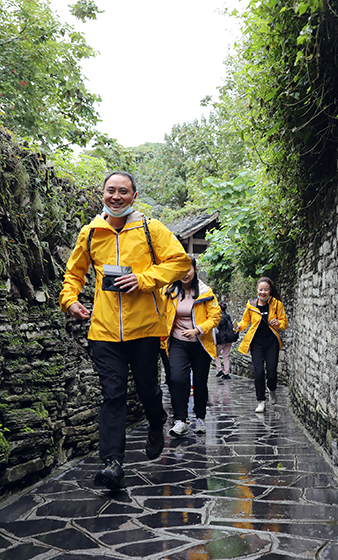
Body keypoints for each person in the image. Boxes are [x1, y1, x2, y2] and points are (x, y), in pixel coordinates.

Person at [59, 171, 192, 489]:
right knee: (113, 394)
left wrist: (143, 279)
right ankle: (113, 463)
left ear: (133, 196)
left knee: (147, 389)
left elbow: (180, 262)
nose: (116, 196)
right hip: (104, 331)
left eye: (123, 192)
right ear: (103, 194)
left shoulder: (150, 228)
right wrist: (69, 301)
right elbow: (73, 273)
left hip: (145, 328)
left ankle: (157, 419)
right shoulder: (91, 233)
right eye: (110, 191)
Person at [162, 257, 221, 437]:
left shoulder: (205, 292)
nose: (185, 273)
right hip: (177, 343)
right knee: (178, 379)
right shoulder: (169, 291)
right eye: (182, 269)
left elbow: (215, 316)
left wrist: (198, 330)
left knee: (200, 383)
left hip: (201, 344)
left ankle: (200, 417)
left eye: (189, 269)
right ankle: (181, 420)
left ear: (195, 270)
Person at [235, 277, 288, 413]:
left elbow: (284, 323)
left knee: (271, 373)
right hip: (256, 343)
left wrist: (278, 323)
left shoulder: (276, 304)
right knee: (258, 373)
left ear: (270, 290)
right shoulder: (251, 305)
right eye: (261, 289)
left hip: (272, 342)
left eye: (266, 289)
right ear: (257, 290)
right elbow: (245, 321)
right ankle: (261, 401)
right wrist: (239, 327)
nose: (263, 292)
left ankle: (272, 389)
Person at [212, 308, 237, 379]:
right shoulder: (228, 316)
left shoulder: (219, 318)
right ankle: (226, 372)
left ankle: (219, 370)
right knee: (226, 356)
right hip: (229, 340)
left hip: (221, 340)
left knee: (215, 355)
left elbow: (216, 330)